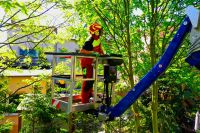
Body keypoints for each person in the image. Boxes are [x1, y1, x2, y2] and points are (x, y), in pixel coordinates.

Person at [80, 23, 105, 103]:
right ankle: (84, 100)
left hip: (92, 63)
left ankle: (90, 95)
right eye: (100, 30)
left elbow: (100, 50)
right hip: (86, 63)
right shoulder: (90, 40)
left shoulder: (98, 39)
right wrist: (93, 53)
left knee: (92, 80)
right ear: (95, 31)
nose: (101, 32)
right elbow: (82, 51)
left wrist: (103, 54)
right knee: (87, 81)